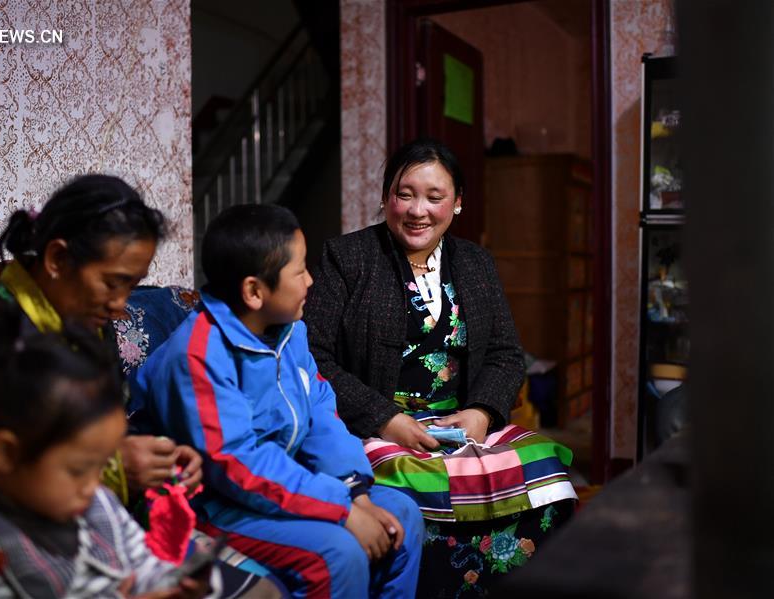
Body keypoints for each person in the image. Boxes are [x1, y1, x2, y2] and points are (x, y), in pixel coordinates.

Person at [303, 138, 578, 596]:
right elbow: (314, 356)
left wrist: (482, 414)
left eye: (435, 197)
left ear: (458, 203)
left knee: (547, 472)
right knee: (420, 486)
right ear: (386, 196)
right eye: (405, 193)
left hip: (461, 424)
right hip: (378, 426)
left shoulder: (475, 262)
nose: (418, 211)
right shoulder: (348, 258)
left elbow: (506, 354)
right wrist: (386, 419)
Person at [134, 204, 424, 598]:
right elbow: (237, 464)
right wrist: (341, 509)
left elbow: (321, 413)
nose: (310, 281)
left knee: (402, 514)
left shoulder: (290, 331)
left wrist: (352, 488)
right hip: (222, 505)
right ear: (255, 291)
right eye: (300, 270)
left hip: (284, 483)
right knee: (338, 554)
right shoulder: (198, 355)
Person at [0, 174, 199, 525]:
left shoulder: (88, 326)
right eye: (111, 283)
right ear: (58, 259)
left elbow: (110, 428)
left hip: (107, 531)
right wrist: (109, 470)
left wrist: (157, 459)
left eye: (132, 285)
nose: (120, 305)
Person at [0, 321, 212, 598]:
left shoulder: (100, 503)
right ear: (6, 454)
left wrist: (176, 586)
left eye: (104, 464)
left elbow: (146, 568)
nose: (94, 485)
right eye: (78, 470)